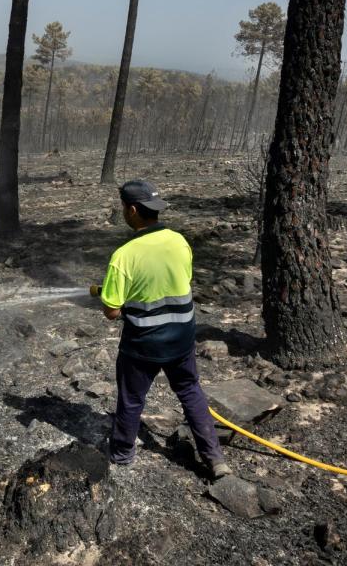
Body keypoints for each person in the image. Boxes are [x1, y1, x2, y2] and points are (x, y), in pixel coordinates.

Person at [95, 179, 231, 479]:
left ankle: (121, 454)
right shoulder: (179, 241)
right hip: (182, 338)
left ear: (131, 210)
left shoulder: (124, 255)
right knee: (190, 391)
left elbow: (112, 312)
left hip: (143, 346)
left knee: (131, 400)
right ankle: (214, 458)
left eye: (123, 209)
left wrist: (111, 293)